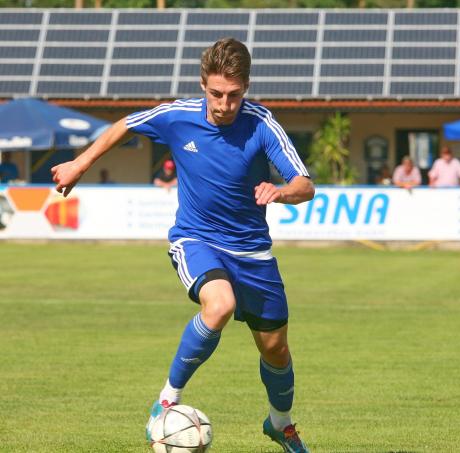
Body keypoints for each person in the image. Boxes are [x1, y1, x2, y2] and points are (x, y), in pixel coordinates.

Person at [51, 38, 314, 453]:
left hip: (252, 252)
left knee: (276, 350)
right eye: (215, 94)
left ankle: (280, 423)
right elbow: (125, 125)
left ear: (245, 88)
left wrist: (281, 192)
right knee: (219, 304)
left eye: (233, 95)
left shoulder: (262, 123)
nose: (224, 104)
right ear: (202, 85)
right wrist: (79, 164)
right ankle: (165, 401)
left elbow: (305, 184)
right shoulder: (178, 115)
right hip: (197, 239)